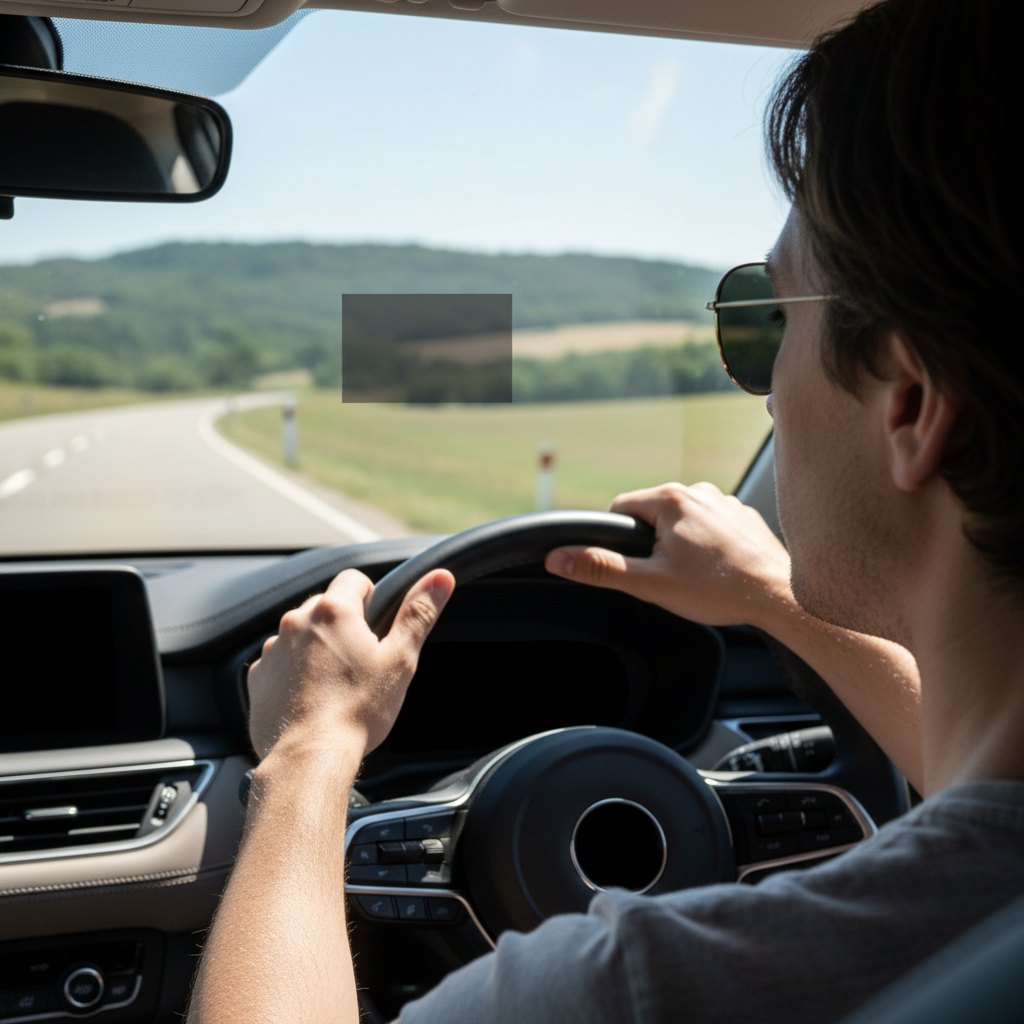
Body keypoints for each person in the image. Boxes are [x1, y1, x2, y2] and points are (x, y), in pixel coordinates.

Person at [186, 1, 1024, 1021]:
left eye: (766, 321)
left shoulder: (630, 990)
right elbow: (978, 776)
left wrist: (308, 756)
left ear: (910, 402)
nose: (759, 391)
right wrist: (769, 594)